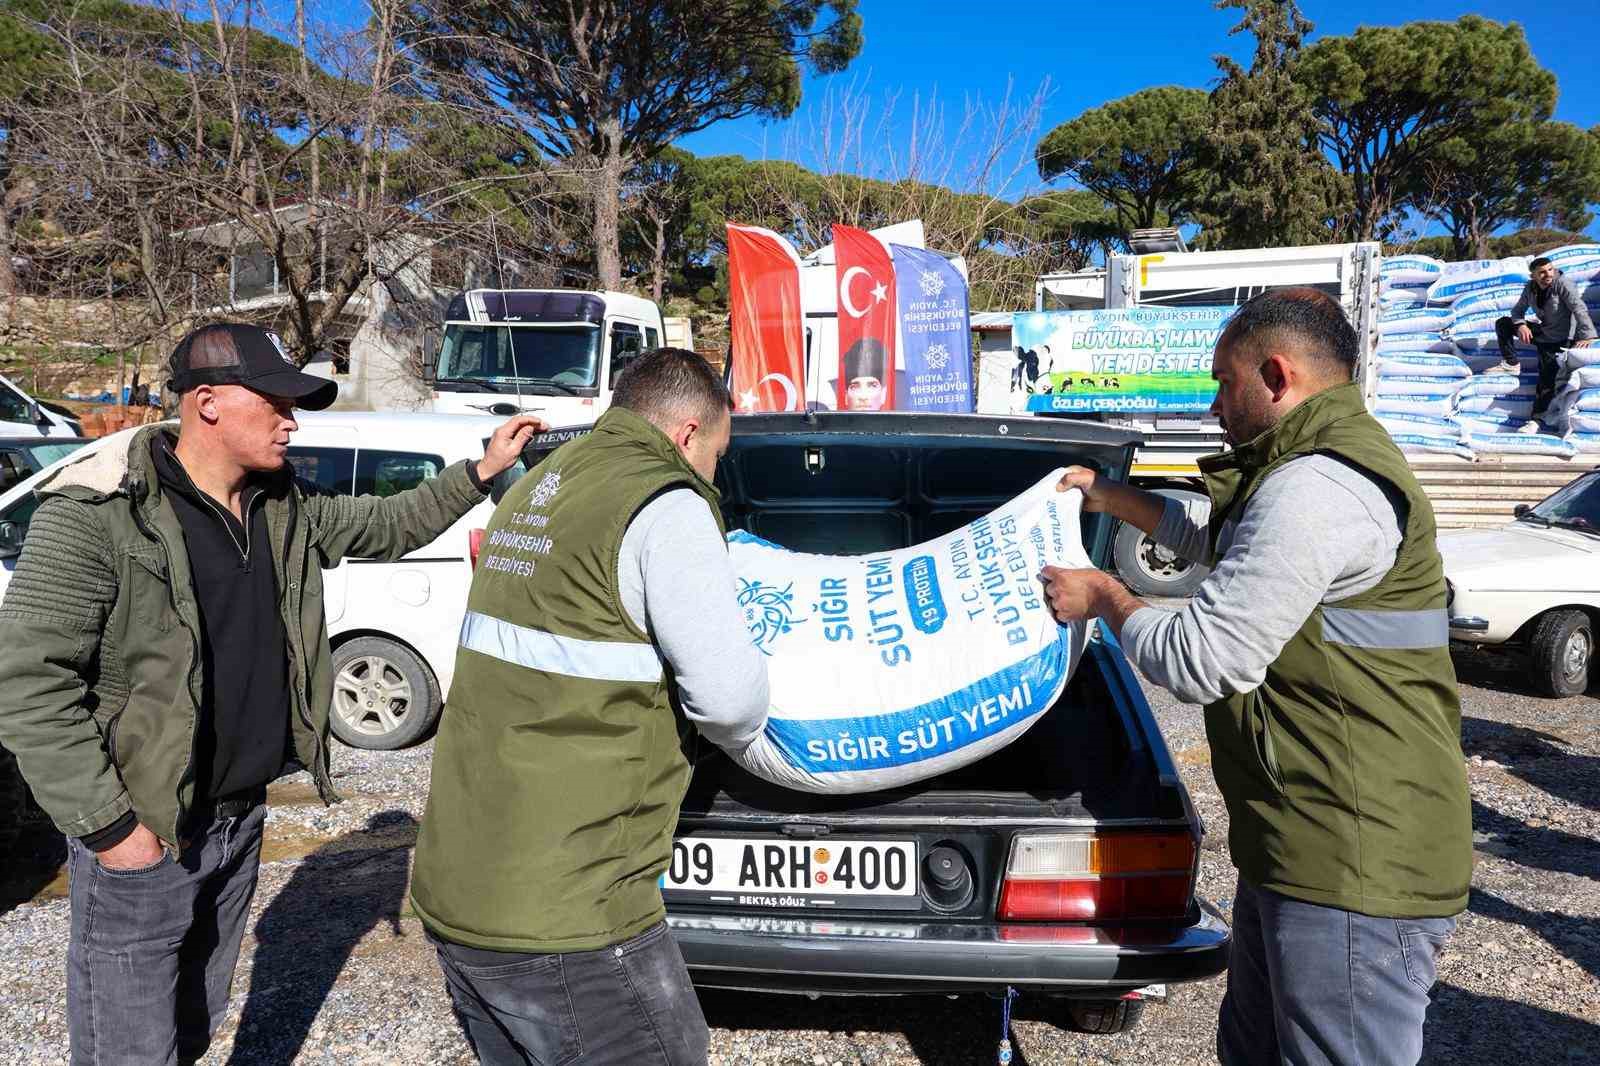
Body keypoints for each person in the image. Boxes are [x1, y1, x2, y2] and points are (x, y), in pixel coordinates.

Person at [0, 322, 542, 1066]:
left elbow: (385, 525)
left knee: (192, 1027)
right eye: (276, 402)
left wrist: (480, 472)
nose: (293, 419)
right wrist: (109, 829)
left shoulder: (279, 504)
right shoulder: (98, 512)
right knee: (128, 1049)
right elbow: (28, 683)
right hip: (147, 826)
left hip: (237, 819)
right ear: (209, 403)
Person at [1038, 289, 1471, 1066]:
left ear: (1276, 376)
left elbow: (1205, 660)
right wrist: (1115, 499)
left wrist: (1106, 597)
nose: (1214, 405)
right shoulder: (1308, 473)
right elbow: (1234, 548)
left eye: (1222, 384)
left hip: (1355, 857)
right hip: (1304, 839)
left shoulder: (1316, 490)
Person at [410, 347, 773, 1066]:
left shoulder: (540, 484)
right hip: (571, 912)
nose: (713, 473)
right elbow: (731, 703)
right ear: (687, 434)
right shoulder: (662, 502)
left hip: (464, 888)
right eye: (717, 455)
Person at [1493, 255, 1596, 430]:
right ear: (1533, 275)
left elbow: (1578, 308)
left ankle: (1536, 421)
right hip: (1543, 332)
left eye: (1550, 269)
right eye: (1542, 272)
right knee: (1503, 323)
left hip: (1560, 340)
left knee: (1547, 380)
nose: (1548, 274)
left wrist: (1587, 336)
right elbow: (1517, 310)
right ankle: (1511, 362)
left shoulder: (1562, 284)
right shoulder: (1530, 287)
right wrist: (1521, 325)